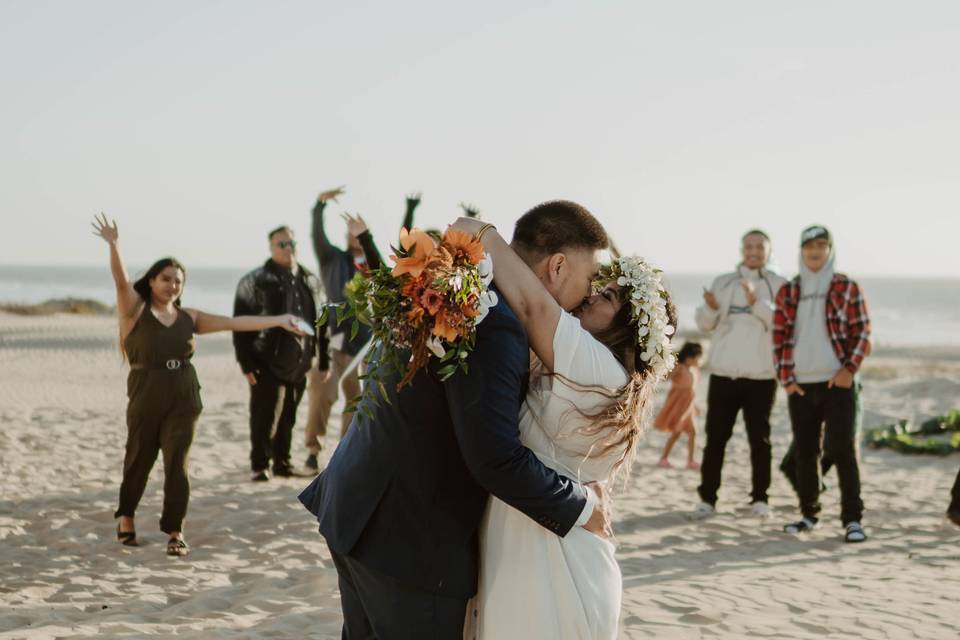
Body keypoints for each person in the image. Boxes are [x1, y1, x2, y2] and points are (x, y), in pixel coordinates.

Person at [298, 201, 614, 638]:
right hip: (408, 543)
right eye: (589, 278)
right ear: (558, 267)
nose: (589, 295)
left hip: (358, 506)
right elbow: (493, 458)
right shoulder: (496, 324)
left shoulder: (460, 290)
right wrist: (582, 506)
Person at [449, 213, 677, 639]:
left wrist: (481, 233)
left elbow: (534, 305)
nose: (591, 295)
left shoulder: (598, 368)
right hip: (544, 527)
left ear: (625, 328)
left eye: (606, 296)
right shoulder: (600, 373)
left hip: (555, 551)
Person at [92, 214, 305, 556]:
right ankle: (126, 515)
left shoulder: (189, 317)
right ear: (151, 281)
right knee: (139, 460)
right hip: (146, 395)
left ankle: (175, 531)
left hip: (184, 396)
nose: (172, 286)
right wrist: (114, 245)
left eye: (178, 281)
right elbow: (120, 281)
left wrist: (279, 320)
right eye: (166, 279)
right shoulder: (134, 311)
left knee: (178, 464)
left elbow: (236, 323)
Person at [773, 225, 871, 543]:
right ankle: (808, 514)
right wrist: (786, 379)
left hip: (837, 384)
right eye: (809, 246)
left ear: (829, 249)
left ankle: (852, 520)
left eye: (821, 245)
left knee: (843, 450)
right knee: (805, 452)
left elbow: (863, 332)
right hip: (801, 385)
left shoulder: (846, 286)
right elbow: (779, 337)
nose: (815, 251)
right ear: (801, 251)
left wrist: (849, 370)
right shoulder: (789, 290)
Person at [693, 230, 787, 519]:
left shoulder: (779, 284)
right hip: (723, 374)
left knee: (760, 441)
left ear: (769, 251)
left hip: (761, 376)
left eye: (760, 247)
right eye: (749, 246)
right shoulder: (724, 282)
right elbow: (705, 325)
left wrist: (756, 301)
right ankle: (708, 499)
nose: (754, 251)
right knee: (716, 440)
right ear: (741, 250)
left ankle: (761, 499)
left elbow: (783, 323)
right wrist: (709, 309)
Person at [233, 225, 330, 482]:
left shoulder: (310, 279)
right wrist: (245, 362)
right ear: (271, 248)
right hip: (265, 359)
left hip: (301, 361)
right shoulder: (255, 280)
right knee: (265, 415)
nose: (288, 249)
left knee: (289, 415)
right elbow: (240, 323)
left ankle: (282, 463)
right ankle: (259, 465)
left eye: (292, 244)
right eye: (282, 244)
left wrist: (324, 358)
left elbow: (323, 320)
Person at [655, 342, 703, 470]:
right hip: (678, 404)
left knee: (693, 432)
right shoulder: (680, 367)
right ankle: (663, 458)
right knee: (676, 432)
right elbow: (666, 377)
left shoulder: (693, 369)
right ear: (688, 357)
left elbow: (692, 390)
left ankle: (690, 461)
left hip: (688, 407)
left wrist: (695, 406)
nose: (698, 360)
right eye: (696, 357)